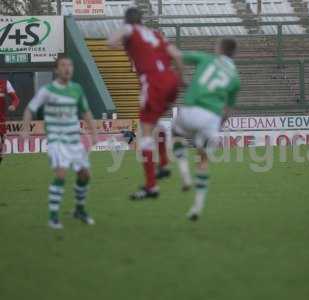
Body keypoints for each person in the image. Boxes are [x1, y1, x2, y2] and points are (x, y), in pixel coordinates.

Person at [108, 7, 184, 200]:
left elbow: (110, 42)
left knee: (145, 132)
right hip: (172, 80)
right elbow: (178, 56)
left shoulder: (130, 30)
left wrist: (125, 38)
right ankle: (164, 165)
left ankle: (151, 186)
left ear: (128, 21)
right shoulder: (156, 34)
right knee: (155, 122)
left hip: (153, 83)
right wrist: (181, 79)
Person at [22, 56, 98, 230]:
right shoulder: (47, 90)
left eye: (70, 65)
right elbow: (29, 109)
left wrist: (94, 133)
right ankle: (53, 217)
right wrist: (25, 129)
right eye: (63, 65)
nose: (67, 68)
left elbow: (86, 113)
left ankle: (79, 210)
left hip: (74, 141)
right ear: (56, 70)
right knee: (61, 174)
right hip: (57, 140)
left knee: (85, 175)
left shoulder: (77, 89)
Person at [172, 39, 240, 221]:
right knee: (203, 161)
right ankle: (197, 207)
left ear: (219, 49)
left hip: (191, 109)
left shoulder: (207, 58)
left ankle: (185, 174)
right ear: (233, 54)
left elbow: (176, 55)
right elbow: (228, 111)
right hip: (212, 119)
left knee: (175, 134)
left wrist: (181, 77)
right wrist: (217, 126)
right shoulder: (235, 78)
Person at [0, 79, 20, 164]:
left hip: (1, 121)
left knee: (1, 152)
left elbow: (16, 99)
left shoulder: (5, 83)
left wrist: (13, 105)